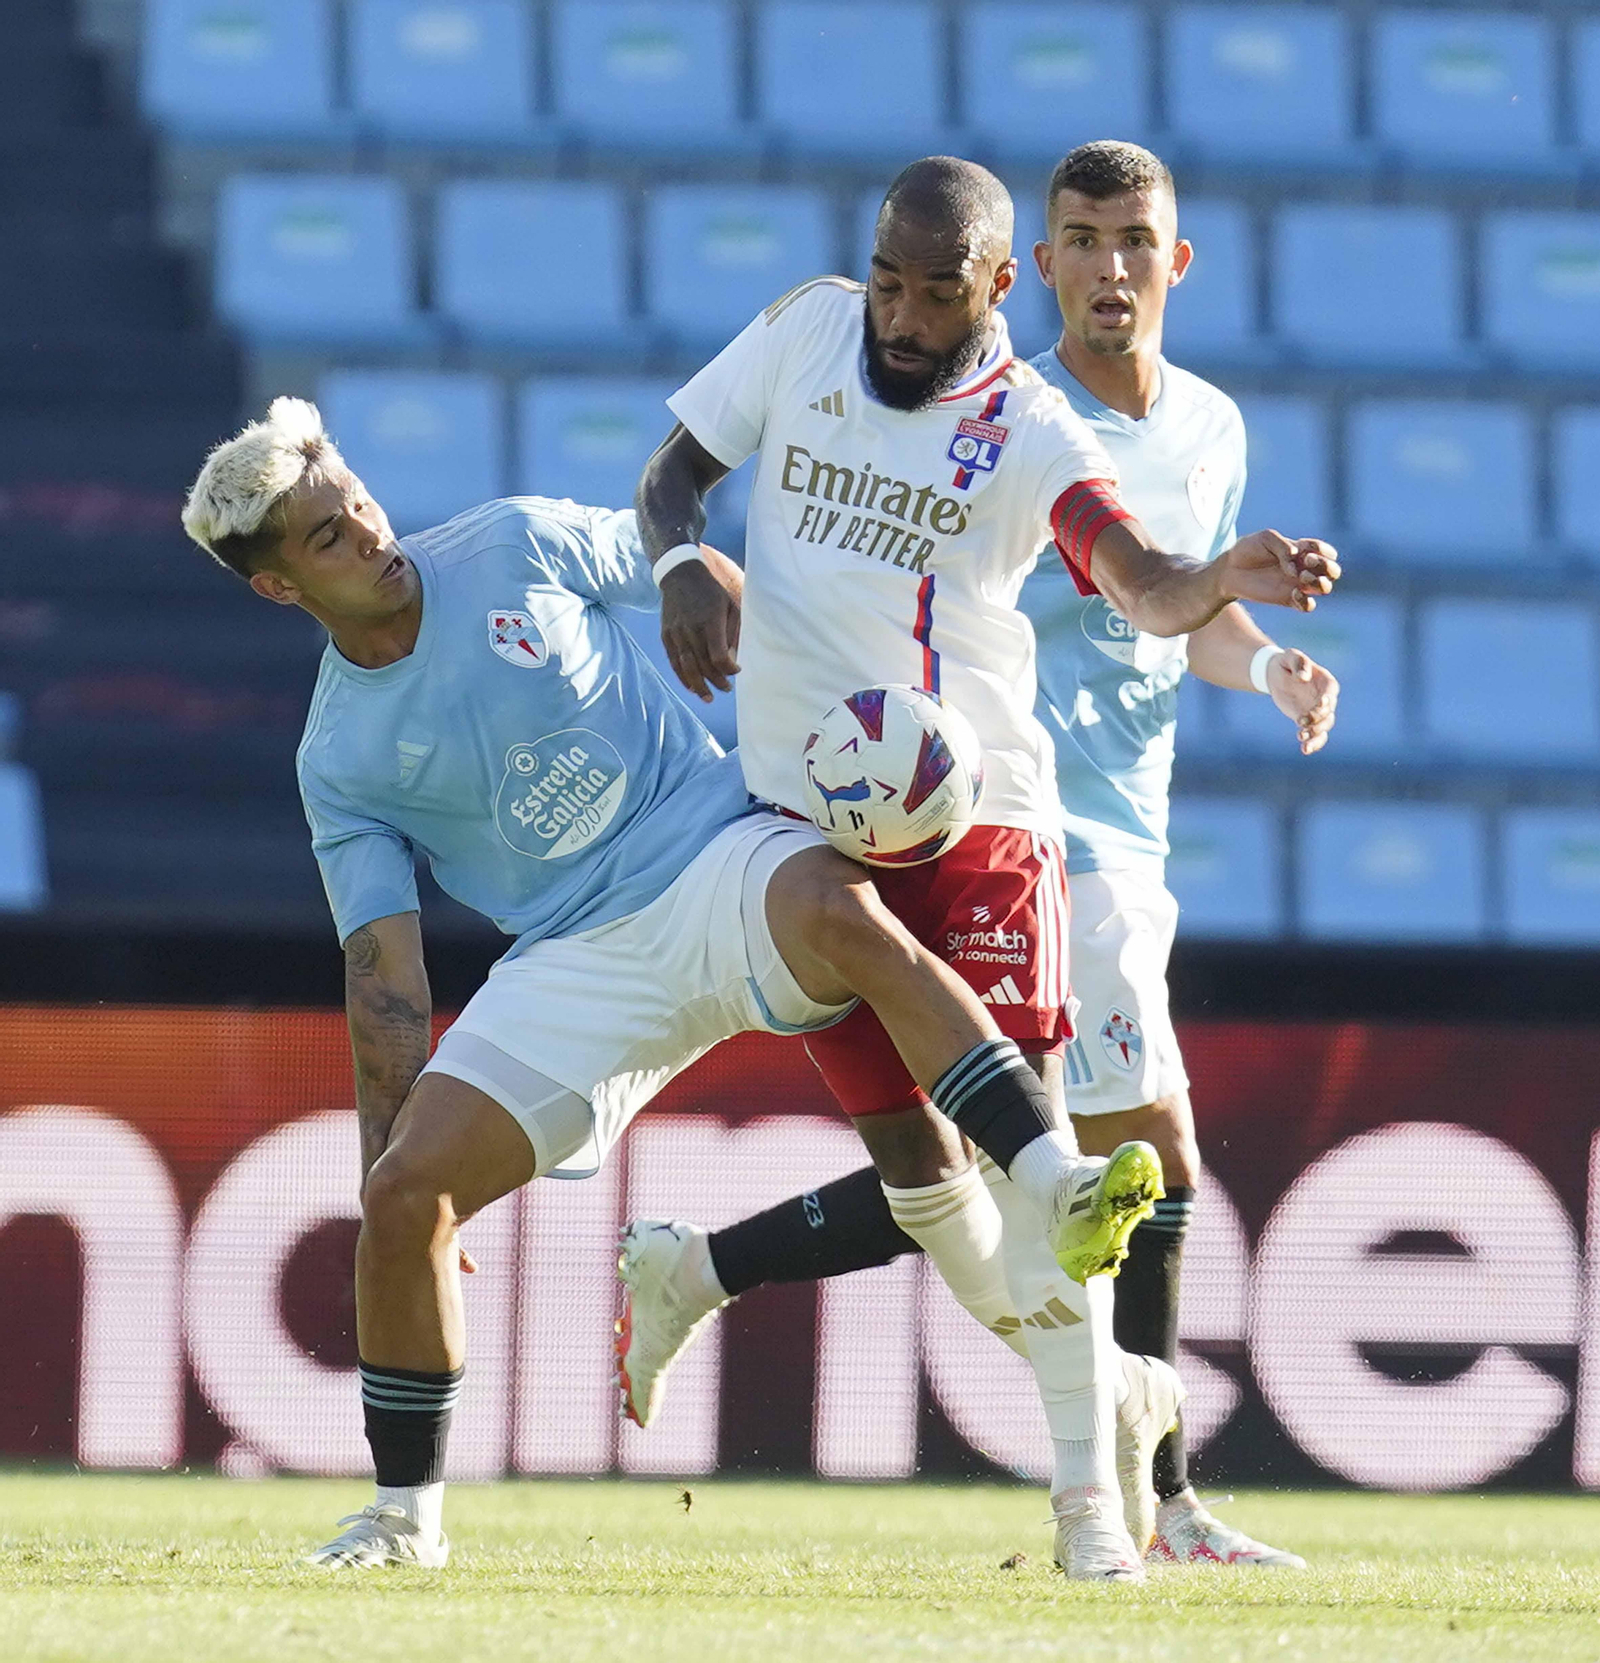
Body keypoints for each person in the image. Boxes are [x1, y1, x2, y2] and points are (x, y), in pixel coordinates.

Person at [179, 397, 1184, 1578]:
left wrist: (754, 645)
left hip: (715, 853)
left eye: (356, 500)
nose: (368, 533)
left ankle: (1052, 1173)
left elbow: (686, 571)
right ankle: (404, 1521)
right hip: (571, 959)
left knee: (840, 923)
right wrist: (384, 1170)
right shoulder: (337, 758)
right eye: (327, 538)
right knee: (403, 1199)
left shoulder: (509, 542)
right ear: (280, 588)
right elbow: (384, 981)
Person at [621, 145, 1339, 1569]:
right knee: (959, 1188)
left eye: (932, 293)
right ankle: (703, 1271)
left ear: (996, 288)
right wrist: (677, 563)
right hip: (824, 821)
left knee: (1061, 1174)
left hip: (1007, 822)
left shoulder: (1061, 429)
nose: (896, 315)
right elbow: (672, 476)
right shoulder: (808, 330)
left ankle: (1106, 1511)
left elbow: (1144, 586)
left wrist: (1235, 604)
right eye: (887, 280)